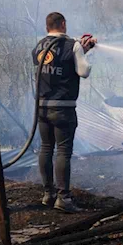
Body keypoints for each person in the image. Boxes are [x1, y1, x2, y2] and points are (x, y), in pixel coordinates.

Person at [32, 12, 96, 213]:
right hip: (63, 108)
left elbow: (55, 61)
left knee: (46, 147)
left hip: (42, 107)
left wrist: (79, 48)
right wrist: (84, 51)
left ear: (47, 26)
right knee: (63, 151)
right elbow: (83, 72)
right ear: (63, 24)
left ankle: (48, 194)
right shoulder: (72, 45)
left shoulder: (39, 46)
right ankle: (64, 198)